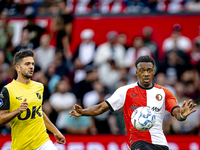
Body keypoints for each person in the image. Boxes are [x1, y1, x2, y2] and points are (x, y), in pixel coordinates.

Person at [69, 55, 196, 150]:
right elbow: (101, 108)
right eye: (142, 70)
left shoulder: (164, 92)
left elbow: (177, 113)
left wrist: (183, 114)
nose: (146, 73)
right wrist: (83, 112)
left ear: (153, 71)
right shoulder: (125, 91)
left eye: (149, 70)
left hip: (160, 143)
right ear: (136, 72)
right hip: (137, 142)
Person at [0, 50, 65, 150]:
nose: (31, 67)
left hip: (42, 142)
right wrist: (18, 111)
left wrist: (56, 131)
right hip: (22, 146)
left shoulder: (39, 87)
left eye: (32, 64)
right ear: (17, 68)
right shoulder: (7, 90)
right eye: (27, 64)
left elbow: (39, 112)